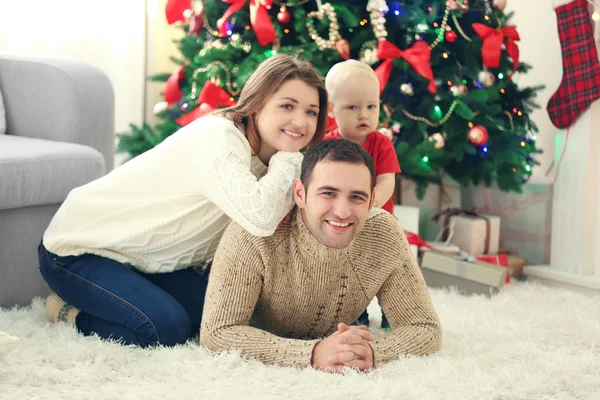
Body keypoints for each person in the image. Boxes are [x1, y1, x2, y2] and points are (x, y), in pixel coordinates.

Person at [37, 54, 328, 347]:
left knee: (217, 318)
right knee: (166, 328)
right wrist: (292, 157)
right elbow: (261, 217)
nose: (300, 122)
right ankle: (69, 313)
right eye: (287, 106)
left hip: (147, 260)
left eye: (312, 112)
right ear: (257, 103)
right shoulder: (221, 138)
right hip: (79, 248)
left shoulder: (275, 160)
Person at [200, 140, 441, 372]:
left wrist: (373, 352)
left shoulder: (383, 233)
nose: (343, 211)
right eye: (328, 193)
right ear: (300, 193)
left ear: (371, 201)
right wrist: (312, 353)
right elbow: (217, 332)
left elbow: (424, 327)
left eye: (357, 197)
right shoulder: (255, 232)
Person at [324, 59, 401, 329]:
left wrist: (370, 203)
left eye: (371, 106)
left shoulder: (381, 144)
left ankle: (394, 311)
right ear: (333, 110)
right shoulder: (328, 146)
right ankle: (355, 312)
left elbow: (386, 182)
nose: (363, 115)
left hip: (378, 222)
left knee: (386, 271)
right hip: (341, 223)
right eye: (353, 107)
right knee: (346, 273)